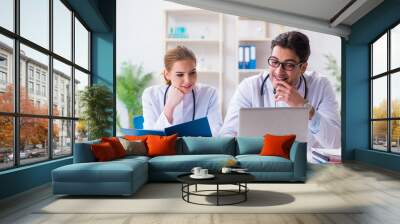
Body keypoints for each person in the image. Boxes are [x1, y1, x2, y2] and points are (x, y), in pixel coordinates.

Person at [220, 31, 341, 159]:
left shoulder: (320, 85)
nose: (278, 71)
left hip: (305, 164)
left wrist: (304, 107)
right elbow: (226, 137)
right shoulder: (249, 87)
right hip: (259, 162)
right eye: (274, 62)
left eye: (288, 65)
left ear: (303, 67)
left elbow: (334, 143)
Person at [142, 46, 222, 136]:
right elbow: (151, 138)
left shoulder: (209, 93)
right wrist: (169, 106)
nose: (188, 80)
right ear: (167, 74)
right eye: (180, 75)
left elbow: (216, 133)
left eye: (192, 73)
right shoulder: (151, 95)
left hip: (199, 149)